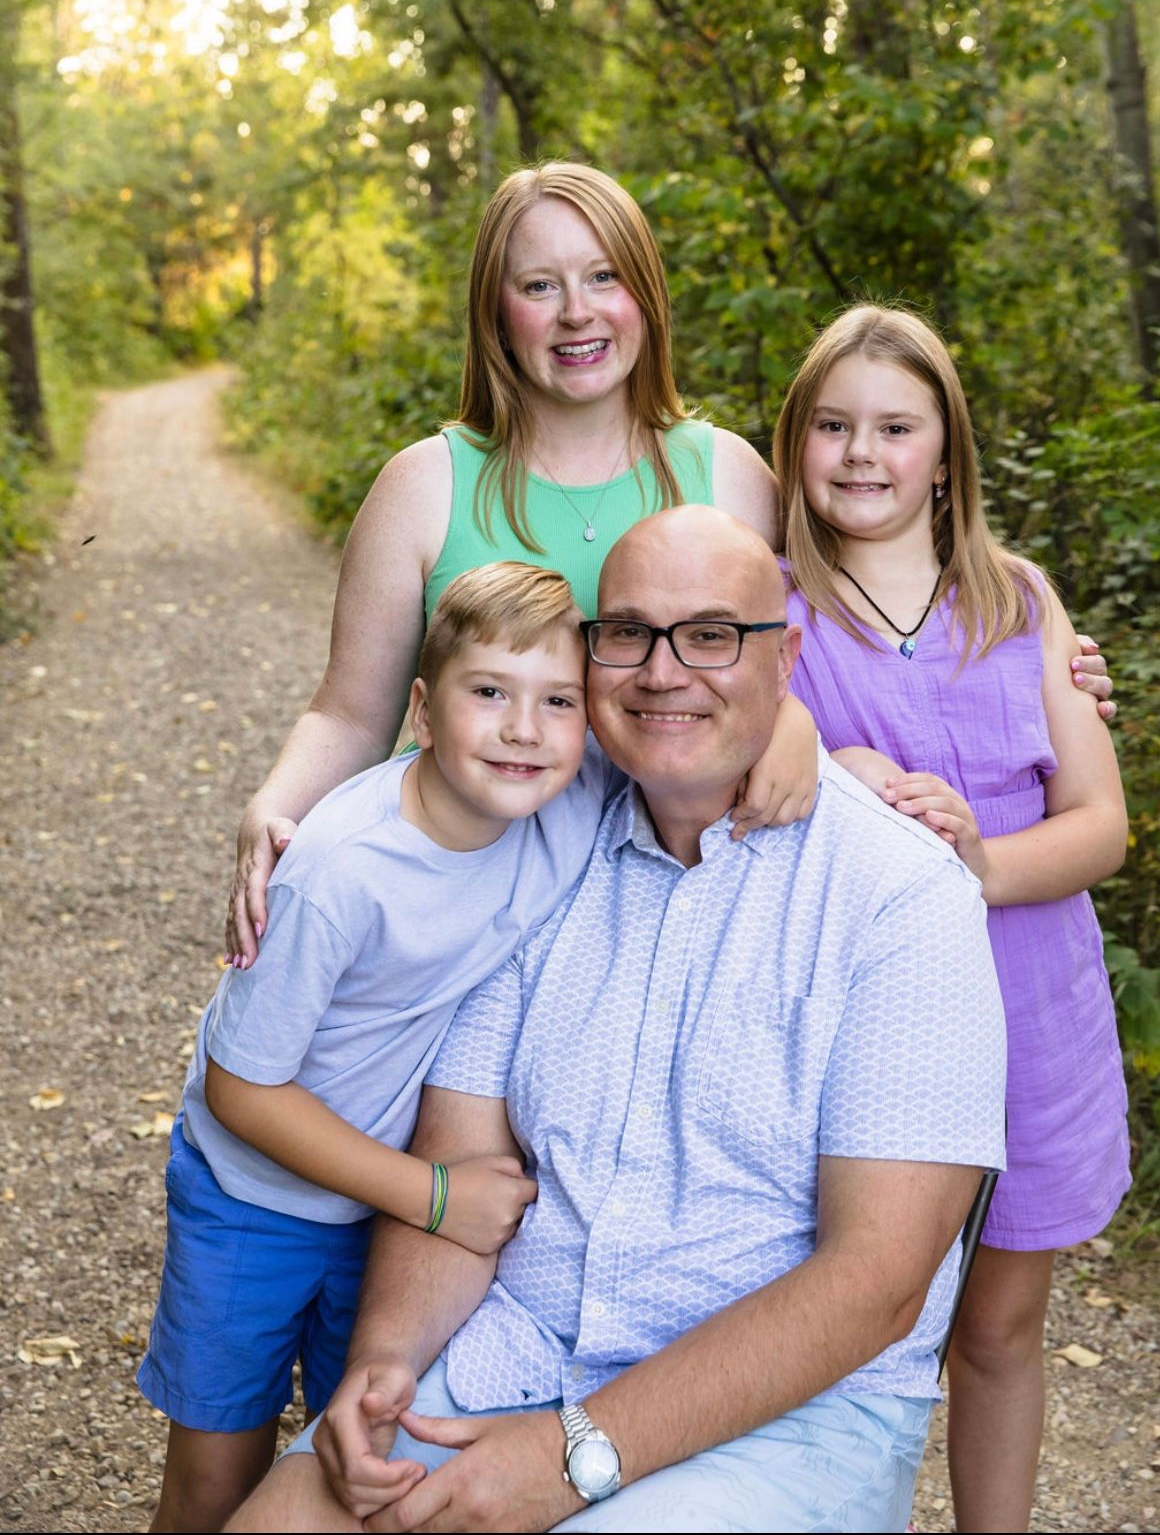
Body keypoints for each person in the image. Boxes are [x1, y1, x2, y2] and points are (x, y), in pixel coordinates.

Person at [226, 506, 1008, 1534]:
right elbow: (463, 1155)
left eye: (714, 634)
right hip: (522, 1347)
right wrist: (385, 1366)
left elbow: (877, 1281)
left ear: (789, 658)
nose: (663, 670)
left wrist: (573, 1453)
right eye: (628, 632)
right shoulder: (540, 843)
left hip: (791, 1417)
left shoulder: (902, 896)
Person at [223, 160, 1112, 969]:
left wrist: (1048, 669)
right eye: (540, 285)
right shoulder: (425, 486)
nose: (578, 312)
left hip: (669, 907)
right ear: (496, 312)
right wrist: (275, 804)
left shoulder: (725, 474)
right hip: (461, 899)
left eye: (604, 277)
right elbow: (349, 713)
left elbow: (849, 626)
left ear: (644, 295)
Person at [140, 563, 627, 1533]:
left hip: (377, 1218)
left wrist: (797, 736)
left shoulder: (563, 808)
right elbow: (242, 1088)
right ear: (420, 709)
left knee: (350, 1460)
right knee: (213, 1477)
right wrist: (435, 1197)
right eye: (488, 690)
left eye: (558, 701)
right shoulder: (341, 869)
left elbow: (707, 734)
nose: (525, 727)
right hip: (255, 1196)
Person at [770, 304, 1131, 1533]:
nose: (861, 452)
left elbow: (1098, 823)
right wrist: (833, 775)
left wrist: (973, 858)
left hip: (1036, 1006)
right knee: (837, 1314)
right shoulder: (774, 612)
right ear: (794, 443)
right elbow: (727, 772)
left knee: (996, 1325)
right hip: (864, 1030)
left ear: (946, 452)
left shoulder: (1020, 600)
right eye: (832, 424)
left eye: (894, 425)